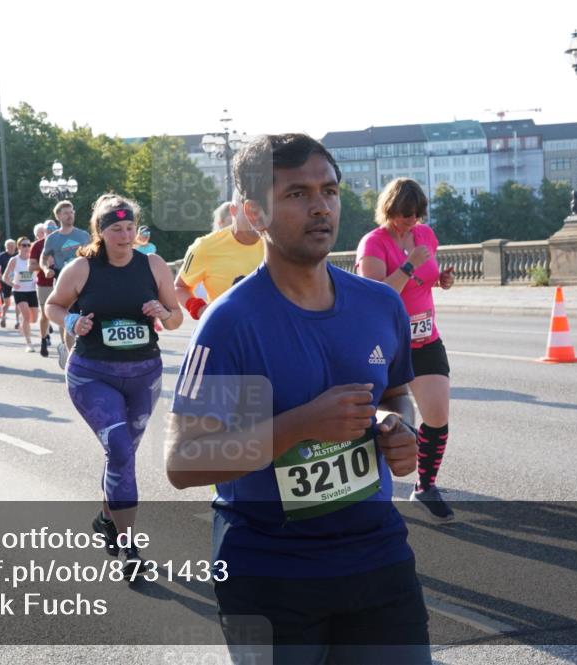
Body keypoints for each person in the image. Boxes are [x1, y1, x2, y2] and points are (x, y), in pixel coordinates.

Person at [165, 134, 429, 664]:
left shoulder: (379, 305)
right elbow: (184, 461)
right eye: (296, 194)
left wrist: (396, 428)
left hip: (376, 554)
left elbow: (397, 395)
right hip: (269, 569)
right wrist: (301, 424)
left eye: (329, 191)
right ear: (253, 213)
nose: (319, 207)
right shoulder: (232, 323)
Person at [46, 194, 183, 576]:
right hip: (93, 374)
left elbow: (176, 318)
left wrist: (163, 312)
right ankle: (129, 549)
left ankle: (108, 516)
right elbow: (54, 306)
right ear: (101, 233)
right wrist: (72, 323)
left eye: (129, 228)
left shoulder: (153, 265)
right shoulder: (81, 268)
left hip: (144, 374)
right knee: (121, 450)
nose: (124, 236)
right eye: (115, 229)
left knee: (121, 458)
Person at [357, 178, 456, 523]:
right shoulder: (373, 243)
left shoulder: (426, 236)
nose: (410, 221)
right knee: (380, 421)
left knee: (438, 416)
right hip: (386, 343)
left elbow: (426, 280)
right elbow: (377, 296)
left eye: (415, 215)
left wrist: (441, 279)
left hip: (426, 338)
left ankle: (425, 486)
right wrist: (410, 264)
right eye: (403, 215)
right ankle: (369, 487)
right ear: (389, 211)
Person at [174, 191, 264, 323]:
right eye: (250, 210)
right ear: (233, 210)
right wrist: (200, 309)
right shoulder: (204, 246)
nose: (256, 217)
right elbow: (180, 287)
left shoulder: (278, 242)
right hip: (226, 333)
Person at [42, 201, 91, 368]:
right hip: (65, 284)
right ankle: (72, 357)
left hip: (86, 282)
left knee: (89, 316)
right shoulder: (53, 238)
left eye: (71, 212)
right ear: (58, 216)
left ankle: (88, 352)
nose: (70, 215)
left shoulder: (84, 235)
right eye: (65, 213)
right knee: (69, 319)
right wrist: (45, 269)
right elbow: (43, 258)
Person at [1, 236, 39, 352]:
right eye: (24, 245)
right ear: (19, 247)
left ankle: (23, 320)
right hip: (19, 291)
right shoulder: (14, 260)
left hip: (32, 291)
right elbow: (4, 276)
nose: (27, 247)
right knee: (27, 316)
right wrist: (12, 284)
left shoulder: (33, 259)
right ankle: (29, 343)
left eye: (28, 245)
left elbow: (38, 272)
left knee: (34, 319)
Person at [28, 220, 57, 357]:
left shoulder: (62, 242)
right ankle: (43, 339)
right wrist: (45, 265)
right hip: (44, 284)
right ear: (43, 232)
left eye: (53, 228)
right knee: (45, 315)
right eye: (48, 229)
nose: (51, 230)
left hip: (62, 282)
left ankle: (65, 346)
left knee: (66, 315)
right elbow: (31, 267)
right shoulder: (38, 245)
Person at [0, 239, 18, 329]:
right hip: (6, 282)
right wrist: (2, 279)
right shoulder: (2, 256)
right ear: (6, 247)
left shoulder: (17, 255)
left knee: (18, 302)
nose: (11, 248)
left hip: (16, 281)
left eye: (13, 246)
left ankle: (18, 321)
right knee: (7, 302)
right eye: (9, 246)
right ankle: (3, 317)